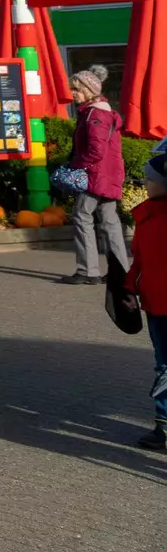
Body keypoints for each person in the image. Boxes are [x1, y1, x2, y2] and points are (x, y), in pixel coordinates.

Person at [63, 64, 131, 287]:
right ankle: (121, 274)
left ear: (87, 90)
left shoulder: (95, 114)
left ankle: (88, 270)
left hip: (96, 175)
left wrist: (75, 165)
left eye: (76, 89)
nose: (72, 93)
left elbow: (96, 151)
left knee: (82, 216)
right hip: (108, 174)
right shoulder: (100, 111)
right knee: (110, 222)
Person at [126, 153, 167, 450]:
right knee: (163, 366)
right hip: (155, 305)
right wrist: (128, 288)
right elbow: (138, 260)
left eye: (150, 179)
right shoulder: (146, 216)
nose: (146, 183)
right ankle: (163, 426)